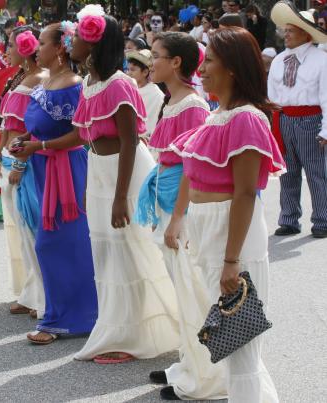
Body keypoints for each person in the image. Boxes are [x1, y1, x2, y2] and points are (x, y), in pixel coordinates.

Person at [55, 5, 178, 364]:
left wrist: (121, 197)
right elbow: (83, 135)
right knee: (107, 253)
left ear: (94, 44)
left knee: (130, 250)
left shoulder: (120, 84)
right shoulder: (91, 83)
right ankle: (117, 328)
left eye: (76, 36)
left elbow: (129, 141)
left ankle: (136, 335)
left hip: (125, 171)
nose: (71, 41)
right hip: (99, 169)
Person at [171, 27, 282, 403]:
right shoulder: (219, 114)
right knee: (233, 348)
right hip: (210, 230)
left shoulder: (247, 119)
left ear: (232, 68)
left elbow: (247, 192)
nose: (201, 68)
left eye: (211, 60)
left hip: (233, 236)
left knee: (241, 349)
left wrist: (232, 259)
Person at [136, 32, 226, 401]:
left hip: (181, 205)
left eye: (156, 56)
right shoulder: (171, 101)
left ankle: (208, 376)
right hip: (165, 197)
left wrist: (176, 217)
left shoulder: (193, 106)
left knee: (192, 291)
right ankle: (189, 364)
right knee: (181, 287)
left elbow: (192, 167)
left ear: (176, 63)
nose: (149, 62)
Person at [11, 21, 98, 345]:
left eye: (43, 43)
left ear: (60, 48)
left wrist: (40, 146)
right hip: (44, 166)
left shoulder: (74, 85)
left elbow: (80, 132)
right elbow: (39, 126)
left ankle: (62, 318)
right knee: (53, 243)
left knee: (62, 244)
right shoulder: (46, 81)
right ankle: (68, 315)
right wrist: (26, 139)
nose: (37, 48)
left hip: (67, 169)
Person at [0, 26, 46, 318]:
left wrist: (21, 162)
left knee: (32, 230)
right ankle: (30, 291)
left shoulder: (39, 79)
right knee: (20, 231)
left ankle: (43, 295)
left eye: (10, 45)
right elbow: (7, 125)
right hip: (10, 159)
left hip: (25, 161)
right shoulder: (20, 76)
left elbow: (33, 127)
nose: (6, 50)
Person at [269, 1, 327, 238]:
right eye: (285, 30)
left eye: (291, 30)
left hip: (310, 119)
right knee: (287, 171)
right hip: (284, 119)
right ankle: (289, 218)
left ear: (306, 33)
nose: (286, 35)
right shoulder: (278, 60)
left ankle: (322, 219)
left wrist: (326, 130)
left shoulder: (320, 59)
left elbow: (326, 96)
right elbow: (272, 94)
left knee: (315, 172)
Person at [126, 49, 164, 141]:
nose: (128, 73)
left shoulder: (156, 94)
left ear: (145, 72)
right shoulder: (128, 89)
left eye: (133, 70)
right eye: (128, 69)